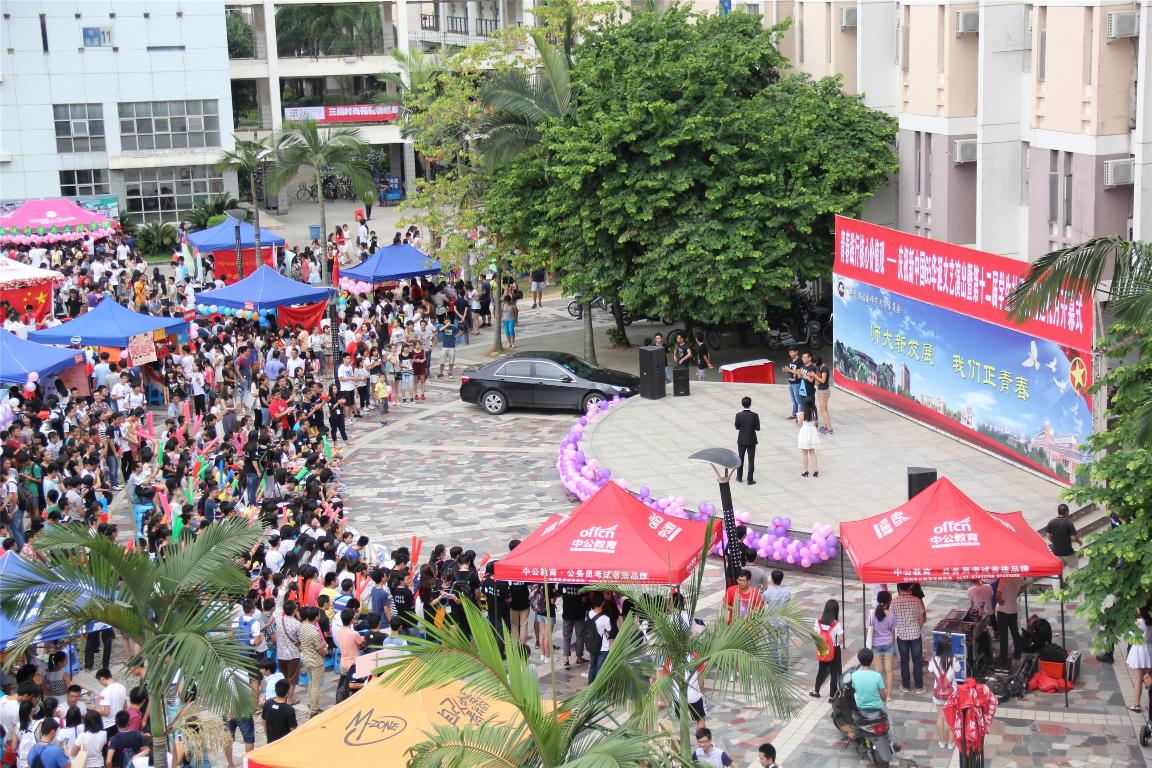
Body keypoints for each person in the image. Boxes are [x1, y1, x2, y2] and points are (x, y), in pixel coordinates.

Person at [893, 582, 926, 692]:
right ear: (910, 586)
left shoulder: (894, 601)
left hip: (902, 635)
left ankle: (906, 686)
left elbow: (892, 619)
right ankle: (919, 686)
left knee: (904, 660)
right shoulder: (916, 600)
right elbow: (922, 617)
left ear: (899, 587)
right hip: (915, 634)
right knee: (917, 660)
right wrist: (918, 628)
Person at [811, 599, 843, 699]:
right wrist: (835, 644)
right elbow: (841, 639)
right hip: (834, 650)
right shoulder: (836, 624)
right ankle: (832, 697)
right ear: (836, 610)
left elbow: (814, 635)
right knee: (834, 673)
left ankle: (816, 691)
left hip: (823, 648)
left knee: (821, 670)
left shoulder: (818, 621)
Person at [868, 590, 897, 697]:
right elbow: (892, 631)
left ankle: (879, 694)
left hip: (875, 644)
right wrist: (893, 644)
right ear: (889, 601)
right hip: (888, 643)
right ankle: (888, 695)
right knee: (889, 670)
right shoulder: (891, 615)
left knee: (878, 671)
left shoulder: (872, 614)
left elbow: (869, 629)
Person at [1125, 601, 1152, 712]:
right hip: (1149, 649)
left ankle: (1136, 705)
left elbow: (1130, 636)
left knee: (1138, 680)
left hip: (1139, 650)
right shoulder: (1150, 622)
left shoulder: (1138, 623)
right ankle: (1150, 704)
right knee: (1148, 678)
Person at [994, 576, 1025, 668]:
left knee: (1004, 635)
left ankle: (1003, 657)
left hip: (1002, 611)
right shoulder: (1019, 578)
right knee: (1015, 633)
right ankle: (1018, 654)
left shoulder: (1004, 578)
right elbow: (1024, 586)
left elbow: (998, 594)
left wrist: (1000, 601)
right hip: (1013, 610)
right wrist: (1016, 595)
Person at [1044, 503, 1082, 570]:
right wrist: (1079, 542)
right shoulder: (1068, 523)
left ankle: (1059, 577)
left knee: (1058, 570)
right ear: (1067, 512)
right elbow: (1073, 538)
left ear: (1058, 512)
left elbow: (1048, 535)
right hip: (1067, 552)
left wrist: (1054, 542)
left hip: (1055, 552)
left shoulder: (1051, 522)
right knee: (1074, 568)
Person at [586, 593, 612, 685]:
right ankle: (597, 688)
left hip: (591, 644)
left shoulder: (588, 613)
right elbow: (608, 630)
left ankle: (590, 686)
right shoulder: (605, 618)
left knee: (592, 666)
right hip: (602, 646)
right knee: (600, 669)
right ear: (603, 603)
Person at [851, 647, 888, 713]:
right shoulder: (877, 676)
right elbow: (882, 694)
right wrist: (884, 702)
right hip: (877, 707)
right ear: (872, 660)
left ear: (859, 660)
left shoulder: (854, 675)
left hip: (861, 707)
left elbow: (854, 690)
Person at [260, 679, 297, 743]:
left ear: (275, 690)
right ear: (288, 691)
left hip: (271, 742)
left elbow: (264, 722)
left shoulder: (268, 703)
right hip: (285, 744)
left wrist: (268, 736)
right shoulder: (289, 710)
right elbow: (293, 730)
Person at [733, 397, 759, 485]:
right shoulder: (755, 415)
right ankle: (750, 479)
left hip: (741, 440)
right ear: (750, 404)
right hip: (752, 440)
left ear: (742, 404)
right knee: (751, 460)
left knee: (740, 458)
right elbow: (758, 428)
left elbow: (737, 427)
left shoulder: (738, 415)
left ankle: (739, 477)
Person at [797, 400, 819, 477]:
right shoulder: (814, 413)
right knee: (812, 452)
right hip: (812, 432)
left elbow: (799, 424)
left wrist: (798, 418)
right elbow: (815, 423)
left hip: (805, 432)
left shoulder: (802, 414)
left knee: (804, 452)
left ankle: (805, 471)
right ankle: (815, 470)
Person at [813, 355, 833, 434]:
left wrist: (814, 376)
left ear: (817, 362)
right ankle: (826, 426)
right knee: (824, 409)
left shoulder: (824, 369)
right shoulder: (820, 368)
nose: (813, 364)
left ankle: (829, 428)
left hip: (824, 391)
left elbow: (823, 380)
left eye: (814, 363)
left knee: (823, 409)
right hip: (822, 390)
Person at [781, 347, 802, 420]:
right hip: (791, 383)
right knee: (794, 400)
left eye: (792, 352)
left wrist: (789, 370)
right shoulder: (792, 361)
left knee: (799, 401)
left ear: (796, 352)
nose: (790, 354)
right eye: (789, 352)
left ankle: (800, 416)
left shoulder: (799, 361)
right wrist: (786, 370)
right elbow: (791, 371)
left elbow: (799, 373)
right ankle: (794, 414)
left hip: (797, 383)